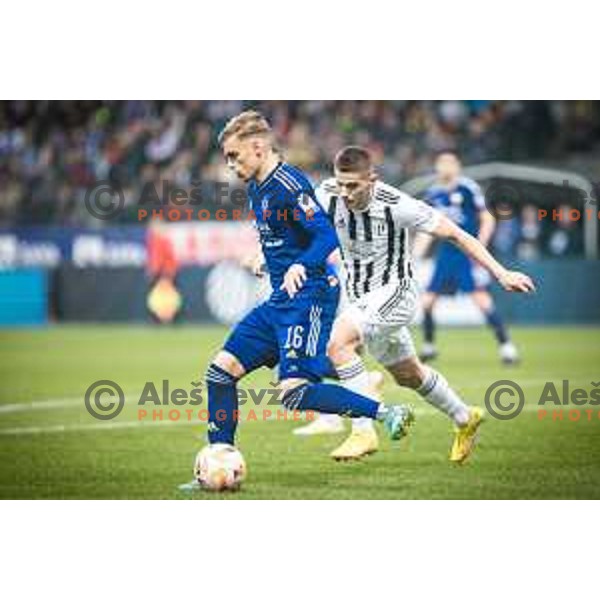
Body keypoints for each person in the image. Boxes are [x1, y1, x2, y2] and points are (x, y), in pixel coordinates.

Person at [179, 113, 415, 491]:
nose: (230, 164)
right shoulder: (257, 185)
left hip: (310, 297)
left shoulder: (290, 184)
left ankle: (386, 413)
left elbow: (325, 238)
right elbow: (283, 238)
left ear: (258, 148)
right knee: (220, 372)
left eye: (235, 156)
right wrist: (264, 259)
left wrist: (299, 267)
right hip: (281, 299)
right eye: (227, 157)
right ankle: (219, 458)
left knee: (294, 392)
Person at [292, 146, 535, 461]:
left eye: (353, 186)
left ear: (373, 180)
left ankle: (362, 431)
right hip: (361, 298)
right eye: (341, 184)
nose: (346, 193)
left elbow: (458, 235)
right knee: (408, 376)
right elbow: (296, 226)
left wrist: (500, 273)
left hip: (397, 293)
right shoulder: (327, 194)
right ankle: (465, 417)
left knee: (337, 344)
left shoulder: (399, 205)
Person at [418, 151, 520, 365]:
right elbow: (424, 230)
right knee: (426, 303)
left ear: (457, 166)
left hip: (467, 255)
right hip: (445, 254)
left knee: (482, 301)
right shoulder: (433, 194)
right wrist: (415, 254)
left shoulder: (468, 188)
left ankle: (506, 347)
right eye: (441, 163)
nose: (445, 167)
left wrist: (479, 248)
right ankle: (428, 346)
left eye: (449, 163)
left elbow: (487, 218)